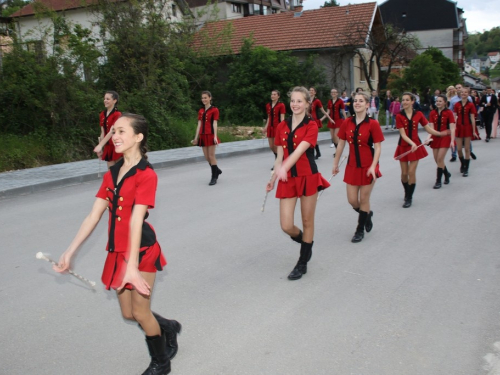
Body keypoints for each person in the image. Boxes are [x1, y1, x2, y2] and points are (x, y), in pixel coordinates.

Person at [54, 114, 181, 375]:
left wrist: (132, 267)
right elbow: (94, 215)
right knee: (128, 313)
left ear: (138, 137)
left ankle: (161, 363)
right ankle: (167, 326)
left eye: (122, 131)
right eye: (113, 131)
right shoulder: (112, 172)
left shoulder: (146, 175)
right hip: (118, 251)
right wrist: (70, 251)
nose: (115, 136)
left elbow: (136, 221)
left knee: (141, 312)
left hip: (141, 251)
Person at [266, 86, 330, 280]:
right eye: (293, 101)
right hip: (287, 179)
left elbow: (299, 151)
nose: (295, 104)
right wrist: (273, 177)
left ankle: (302, 263)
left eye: (299, 101)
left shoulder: (311, 125)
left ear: (307, 103)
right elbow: (279, 155)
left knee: (307, 220)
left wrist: (284, 167)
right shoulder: (281, 126)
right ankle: (306, 243)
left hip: (307, 176)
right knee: (286, 225)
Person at [333, 91, 384, 243]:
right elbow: (341, 143)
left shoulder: (373, 124)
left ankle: (359, 230)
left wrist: (373, 166)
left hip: (368, 165)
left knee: (363, 199)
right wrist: (335, 163)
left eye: (361, 101)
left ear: (367, 104)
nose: (357, 103)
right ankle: (367, 215)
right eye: (355, 101)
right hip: (352, 166)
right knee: (352, 200)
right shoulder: (347, 122)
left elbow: (378, 147)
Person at [394, 92, 449, 208]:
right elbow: (403, 134)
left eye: (407, 100)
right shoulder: (399, 115)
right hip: (404, 146)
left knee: (411, 172)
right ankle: (406, 191)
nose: (404, 102)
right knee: (404, 174)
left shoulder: (418, 114)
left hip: (416, 147)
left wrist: (440, 134)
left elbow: (428, 129)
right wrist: (412, 143)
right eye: (403, 100)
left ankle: (409, 197)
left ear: (412, 101)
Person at [192, 91, 222, 186]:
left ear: (210, 98)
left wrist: (215, 137)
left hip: (210, 135)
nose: (204, 99)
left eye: (205, 97)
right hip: (203, 135)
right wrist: (196, 137)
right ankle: (216, 169)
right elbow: (199, 124)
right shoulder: (201, 110)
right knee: (206, 157)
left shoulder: (214, 110)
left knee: (211, 156)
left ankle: (214, 177)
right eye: (202, 98)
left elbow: (215, 123)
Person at [427, 94, 455, 188]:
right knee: (437, 160)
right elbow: (431, 128)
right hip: (435, 137)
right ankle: (446, 174)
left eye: (440, 101)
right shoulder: (432, 113)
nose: (438, 103)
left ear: (445, 102)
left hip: (445, 137)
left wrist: (452, 140)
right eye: (437, 101)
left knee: (440, 159)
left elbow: (452, 128)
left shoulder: (449, 112)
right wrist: (428, 138)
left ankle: (438, 181)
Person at [94, 91, 123, 169]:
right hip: (108, 146)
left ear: (114, 100)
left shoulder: (117, 114)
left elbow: (112, 131)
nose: (105, 100)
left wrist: (100, 145)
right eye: (104, 99)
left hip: (116, 144)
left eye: (108, 99)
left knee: (120, 172)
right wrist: (100, 149)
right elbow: (102, 132)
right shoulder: (102, 114)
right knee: (111, 173)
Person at [454, 88, 478, 177]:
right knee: (459, 149)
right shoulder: (457, 104)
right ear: (460, 93)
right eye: (462, 92)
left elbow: (472, 118)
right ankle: (462, 163)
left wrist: (474, 130)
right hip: (458, 127)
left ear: (468, 94)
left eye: (465, 92)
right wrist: (453, 128)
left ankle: (466, 169)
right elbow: (454, 117)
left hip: (467, 127)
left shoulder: (471, 105)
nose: (463, 93)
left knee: (467, 149)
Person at [263, 90, 286, 168]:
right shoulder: (268, 105)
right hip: (270, 127)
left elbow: (282, 118)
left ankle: (277, 162)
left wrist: (282, 128)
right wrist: (266, 127)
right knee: (271, 146)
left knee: (276, 146)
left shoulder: (281, 105)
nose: (272, 96)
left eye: (274, 94)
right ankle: (280, 158)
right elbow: (269, 117)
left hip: (277, 127)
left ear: (278, 96)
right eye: (272, 94)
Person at [309, 87, 333, 159]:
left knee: (314, 138)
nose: (311, 91)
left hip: (315, 121)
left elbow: (323, 111)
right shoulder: (307, 100)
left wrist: (329, 119)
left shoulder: (317, 101)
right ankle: (317, 153)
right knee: (310, 138)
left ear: (315, 92)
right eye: (310, 90)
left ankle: (314, 153)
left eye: (312, 90)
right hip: (308, 120)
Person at [326, 88, 347, 153]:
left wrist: (346, 120)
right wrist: (327, 118)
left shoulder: (340, 101)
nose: (333, 93)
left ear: (337, 93)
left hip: (338, 120)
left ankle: (338, 152)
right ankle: (337, 149)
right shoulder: (329, 101)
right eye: (332, 92)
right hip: (331, 120)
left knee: (336, 136)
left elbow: (343, 111)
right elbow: (328, 112)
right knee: (333, 137)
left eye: (335, 92)